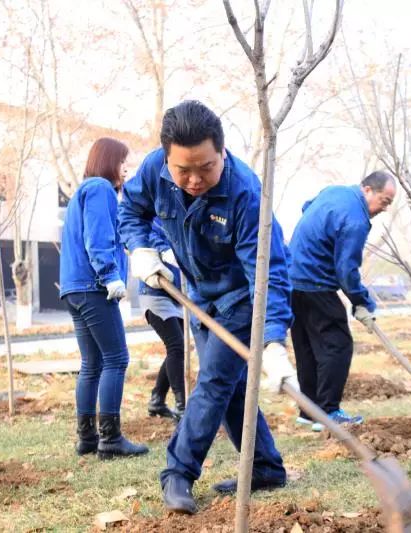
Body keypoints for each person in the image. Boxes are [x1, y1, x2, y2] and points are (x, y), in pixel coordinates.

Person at [118, 100, 297, 514]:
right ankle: (266, 467)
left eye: (206, 167)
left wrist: (271, 340)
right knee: (230, 388)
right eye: (184, 170)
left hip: (241, 299)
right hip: (198, 295)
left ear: (222, 152)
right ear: (166, 158)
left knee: (215, 381)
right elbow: (131, 211)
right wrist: (140, 247)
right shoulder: (152, 171)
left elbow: (266, 274)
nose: (195, 179)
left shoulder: (246, 194)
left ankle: (178, 472)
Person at [59, 137, 149, 460]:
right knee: (117, 358)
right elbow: (97, 237)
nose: (126, 168)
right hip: (93, 286)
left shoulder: (81, 192)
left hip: (74, 288)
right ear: (110, 160)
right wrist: (110, 275)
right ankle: (110, 440)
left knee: (92, 363)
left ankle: (87, 438)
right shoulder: (99, 189)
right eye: (124, 161)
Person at [288, 171, 396, 431]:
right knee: (338, 346)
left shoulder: (334, 191)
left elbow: (306, 206)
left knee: (308, 348)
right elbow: (346, 269)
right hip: (316, 283)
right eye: (384, 200)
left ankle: (309, 411)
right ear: (367, 190)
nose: (384, 208)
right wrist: (361, 301)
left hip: (291, 280)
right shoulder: (355, 220)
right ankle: (328, 412)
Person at [140, 217, 186, 420]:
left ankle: (157, 400)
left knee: (177, 349)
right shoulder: (153, 219)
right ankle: (182, 405)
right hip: (155, 292)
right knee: (176, 346)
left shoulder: (181, 218)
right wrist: (164, 249)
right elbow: (146, 237)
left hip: (178, 295)